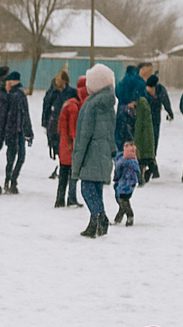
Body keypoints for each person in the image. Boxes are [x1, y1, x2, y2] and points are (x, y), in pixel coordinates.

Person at [71, 64, 117, 237]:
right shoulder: (109, 103)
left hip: (91, 151)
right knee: (96, 188)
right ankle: (95, 222)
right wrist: (112, 150)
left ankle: (100, 218)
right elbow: (112, 129)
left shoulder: (91, 106)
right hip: (103, 150)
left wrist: (78, 159)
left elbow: (84, 134)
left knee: (86, 188)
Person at [0, 68, 32, 192]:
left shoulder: (12, 95)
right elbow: (23, 115)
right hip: (15, 131)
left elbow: (20, 114)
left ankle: (10, 180)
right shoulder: (10, 95)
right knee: (17, 157)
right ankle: (11, 181)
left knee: (13, 156)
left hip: (13, 130)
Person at [55, 76, 85, 208]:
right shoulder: (73, 108)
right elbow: (73, 130)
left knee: (63, 174)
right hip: (70, 146)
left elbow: (60, 128)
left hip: (63, 145)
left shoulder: (66, 105)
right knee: (73, 173)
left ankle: (59, 199)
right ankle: (71, 198)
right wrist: (75, 144)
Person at [40, 70, 70, 169]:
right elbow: (46, 107)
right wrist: (45, 122)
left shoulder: (61, 93)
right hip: (54, 123)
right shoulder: (53, 93)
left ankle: (61, 165)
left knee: (61, 147)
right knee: (57, 146)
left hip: (58, 124)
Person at [112, 140, 140, 226]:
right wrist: (140, 180)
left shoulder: (121, 161)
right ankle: (121, 216)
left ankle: (128, 215)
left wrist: (116, 178)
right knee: (125, 199)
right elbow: (138, 172)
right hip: (131, 184)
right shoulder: (135, 162)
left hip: (122, 183)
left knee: (121, 199)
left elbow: (117, 171)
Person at [145, 73, 173, 155]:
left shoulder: (161, 90)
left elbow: (166, 101)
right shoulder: (144, 92)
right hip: (145, 117)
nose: (149, 90)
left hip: (156, 116)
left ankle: (153, 156)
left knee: (154, 138)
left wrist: (170, 113)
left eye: (151, 88)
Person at [133, 92, 156, 182]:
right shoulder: (144, 103)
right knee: (146, 157)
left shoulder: (141, 104)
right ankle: (149, 170)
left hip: (142, 139)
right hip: (146, 139)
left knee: (142, 158)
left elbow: (139, 126)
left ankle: (145, 173)